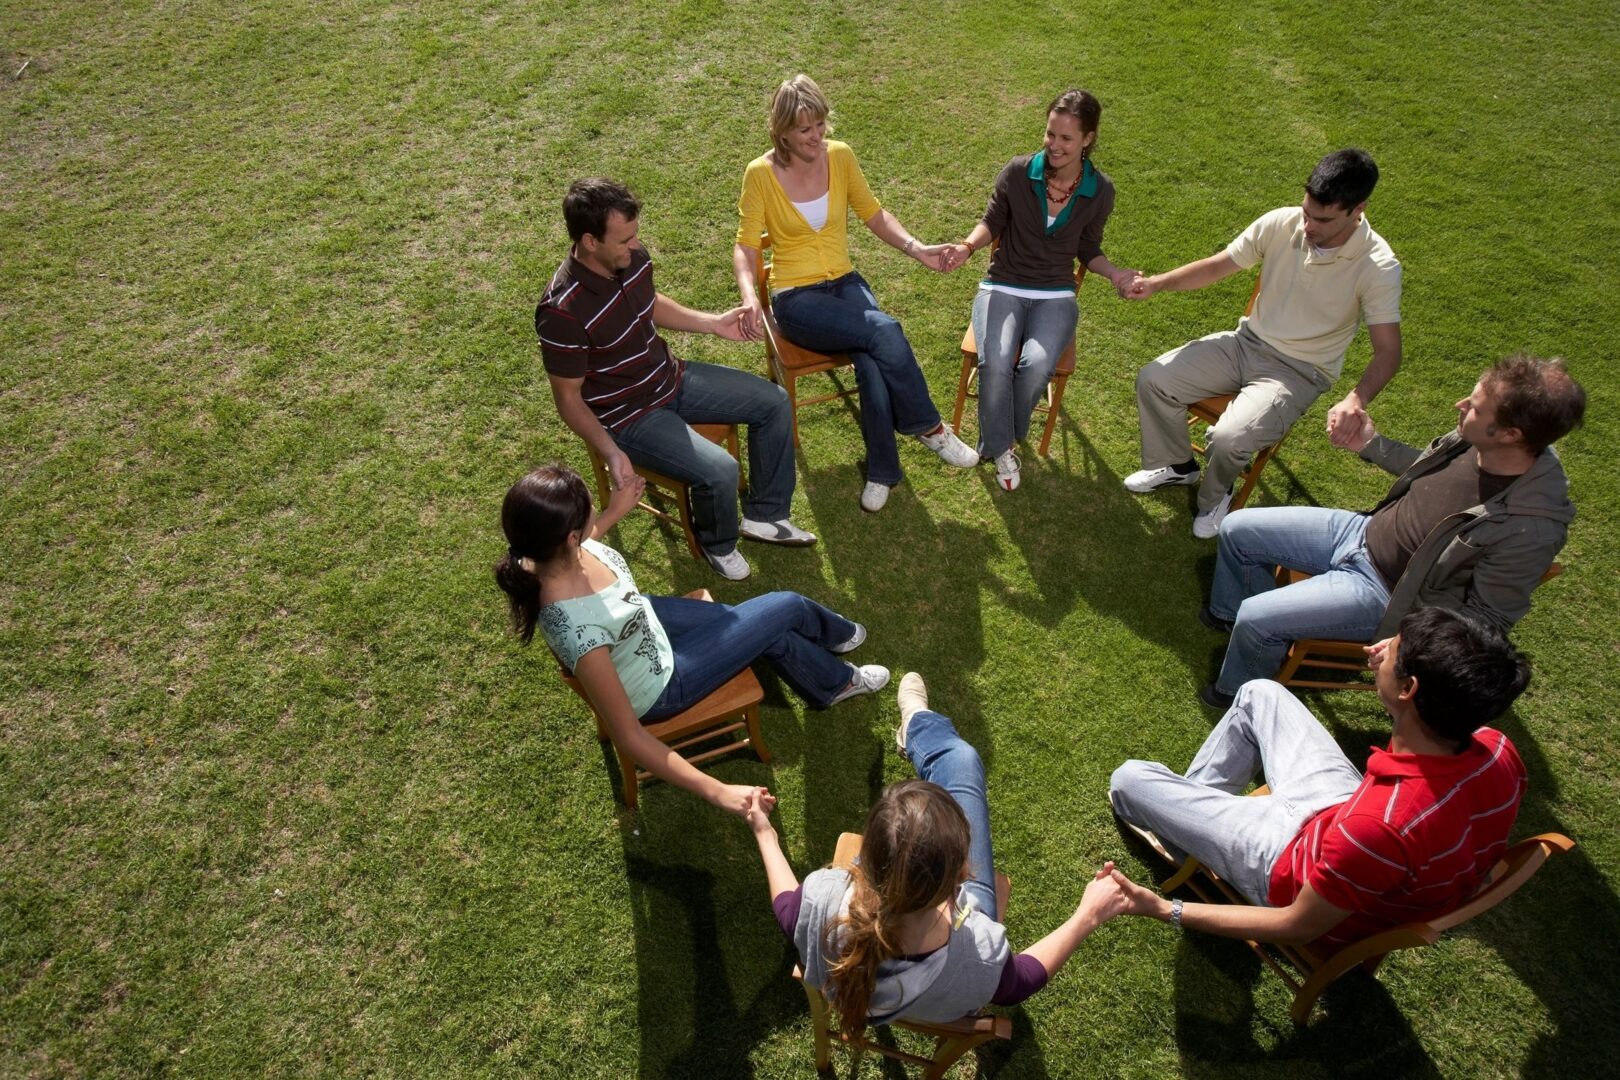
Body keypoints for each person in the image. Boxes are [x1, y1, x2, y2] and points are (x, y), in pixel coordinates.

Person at [1109, 607, 1531, 954]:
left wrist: (1167, 909)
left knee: (1128, 781)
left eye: (1392, 650)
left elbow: (1296, 925)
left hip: (1289, 872)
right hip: (1339, 814)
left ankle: (1190, 837)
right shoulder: (1496, 748)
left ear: (1409, 689)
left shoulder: (1381, 828)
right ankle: (1194, 832)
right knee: (1260, 692)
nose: (1377, 648)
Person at [495, 464, 889, 817]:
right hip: (663, 684)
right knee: (785, 607)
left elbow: (585, 540)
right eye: (589, 509)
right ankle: (837, 641)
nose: (595, 510)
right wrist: (718, 791)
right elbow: (629, 735)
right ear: (569, 537)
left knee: (768, 631)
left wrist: (617, 510)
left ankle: (832, 682)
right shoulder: (578, 630)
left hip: (639, 619)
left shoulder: (539, 555)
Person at [1198, 355, 1583, 709]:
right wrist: (1370, 445)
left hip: (1387, 594)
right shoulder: (1478, 441)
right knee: (1237, 529)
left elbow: (1488, 620)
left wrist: (1410, 642)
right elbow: (1429, 471)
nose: (1461, 405)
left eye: (1475, 407)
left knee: (1259, 615)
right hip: (1361, 532)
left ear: (1511, 434)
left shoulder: (1531, 526)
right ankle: (1228, 617)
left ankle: (1239, 694)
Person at [744, 672, 1128, 1028]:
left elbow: (786, 909)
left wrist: (765, 831)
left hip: (884, 966)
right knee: (961, 760)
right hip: (945, 983)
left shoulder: (821, 900)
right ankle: (917, 724)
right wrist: (1088, 915)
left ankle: (915, 722)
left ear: (868, 857)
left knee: (960, 762)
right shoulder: (981, 955)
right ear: (964, 874)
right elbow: (1018, 984)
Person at [538, 177, 814, 582]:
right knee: (720, 470)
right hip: (628, 417)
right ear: (589, 241)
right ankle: (717, 544)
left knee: (771, 401)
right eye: (624, 239)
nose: (635, 246)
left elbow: (646, 305)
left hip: (670, 377)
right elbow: (568, 399)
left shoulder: (630, 258)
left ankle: (766, 516)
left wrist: (712, 324)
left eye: (635, 236)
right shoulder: (561, 311)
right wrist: (613, 453)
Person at [1122, 149, 1403, 538]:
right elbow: (1220, 265)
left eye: (1321, 219)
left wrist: (1357, 398)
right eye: (1306, 212)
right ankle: (1177, 466)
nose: (1307, 225)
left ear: (1358, 210)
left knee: (1228, 438)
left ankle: (1214, 498)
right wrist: (1157, 283)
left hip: (1299, 373)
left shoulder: (1378, 266)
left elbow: (1389, 351)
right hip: (1246, 342)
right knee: (1154, 379)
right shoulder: (1282, 222)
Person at [732, 74, 977, 513]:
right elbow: (746, 243)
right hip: (797, 299)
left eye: (821, 124)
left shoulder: (840, 156)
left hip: (845, 282)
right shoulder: (760, 174)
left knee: (870, 358)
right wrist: (751, 296)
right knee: (884, 330)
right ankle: (930, 428)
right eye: (806, 129)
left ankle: (883, 471)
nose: (817, 136)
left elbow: (873, 213)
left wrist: (918, 250)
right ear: (782, 129)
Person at [941, 89, 1139, 491]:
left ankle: (999, 442)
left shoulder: (1100, 191)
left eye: (1066, 138)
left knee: (1035, 367)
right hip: (1003, 285)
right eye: (1051, 134)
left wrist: (1114, 272)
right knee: (995, 362)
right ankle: (1003, 449)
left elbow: (1087, 248)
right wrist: (966, 246)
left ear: (1088, 139)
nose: (1055, 145)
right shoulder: (1018, 172)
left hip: (1055, 294)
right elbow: (992, 221)